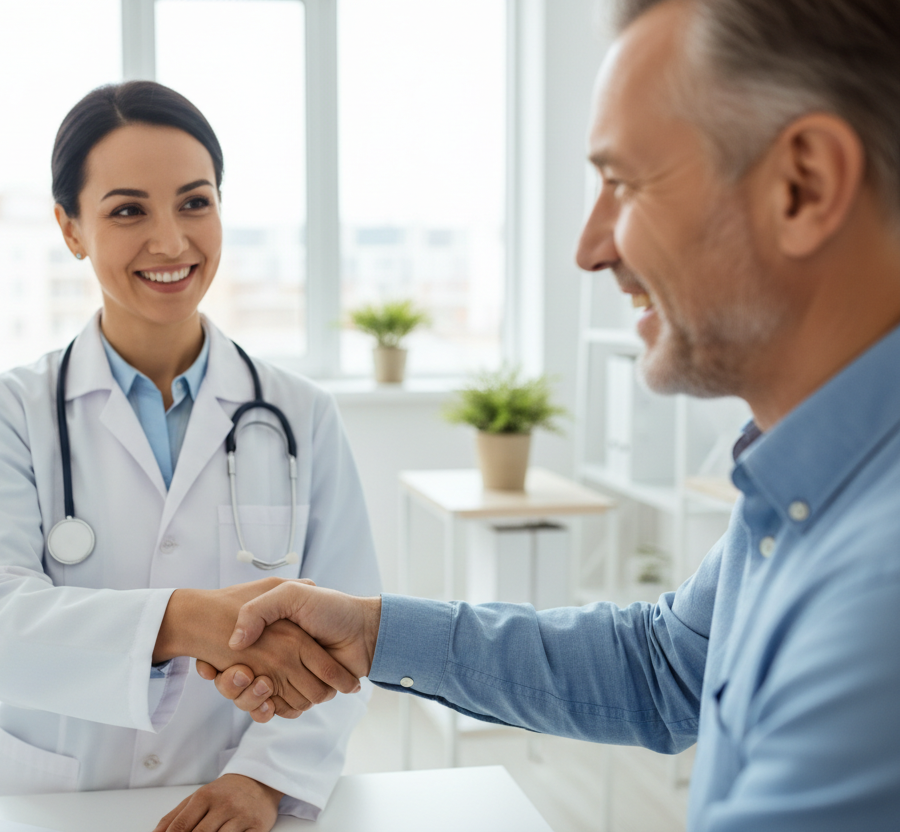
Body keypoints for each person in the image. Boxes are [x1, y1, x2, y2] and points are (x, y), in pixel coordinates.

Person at [206, 1, 900, 828]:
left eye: (624, 184)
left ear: (804, 186)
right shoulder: (799, 487)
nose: (591, 247)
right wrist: (373, 633)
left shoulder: (876, 592)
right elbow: (665, 666)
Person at [0, 80, 380, 832]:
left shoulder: (302, 415)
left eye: (195, 202)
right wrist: (183, 621)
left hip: (236, 799)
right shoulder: (12, 410)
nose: (170, 241)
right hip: (53, 802)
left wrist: (263, 782)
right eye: (128, 209)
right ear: (71, 228)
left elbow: (352, 637)